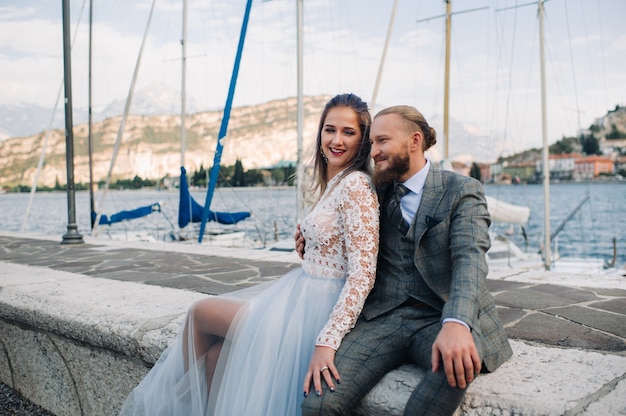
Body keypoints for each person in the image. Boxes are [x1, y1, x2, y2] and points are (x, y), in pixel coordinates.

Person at [118, 93, 380, 416]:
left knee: (200, 314)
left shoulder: (355, 185)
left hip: (315, 313)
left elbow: (363, 273)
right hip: (301, 295)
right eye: (329, 130)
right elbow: (337, 249)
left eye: (348, 132)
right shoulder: (337, 182)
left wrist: (327, 339)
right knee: (216, 356)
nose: (336, 140)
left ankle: (177, 405)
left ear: (363, 139)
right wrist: (310, 247)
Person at [299, 105, 512, 416]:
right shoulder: (374, 189)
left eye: (382, 141)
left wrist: (457, 323)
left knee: (457, 364)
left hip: (440, 316)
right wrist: (311, 237)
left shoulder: (460, 190)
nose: (373, 151)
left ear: (414, 141)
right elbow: (343, 230)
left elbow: (470, 259)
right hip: (383, 318)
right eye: (371, 143)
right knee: (319, 403)